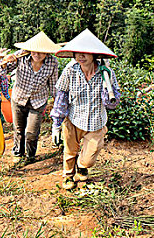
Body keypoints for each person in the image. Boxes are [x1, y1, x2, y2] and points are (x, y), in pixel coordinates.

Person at [50, 29, 121, 190]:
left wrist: (106, 85)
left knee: (89, 158)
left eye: (85, 53)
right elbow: (61, 97)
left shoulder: (107, 73)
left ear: (94, 55)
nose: (80, 56)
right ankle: (68, 175)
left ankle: (82, 166)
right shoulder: (70, 70)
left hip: (96, 121)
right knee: (70, 151)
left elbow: (112, 104)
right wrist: (56, 124)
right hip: (74, 118)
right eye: (77, 53)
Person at [4, 32, 60, 163]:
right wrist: (6, 61)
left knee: (31, 132)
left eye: (40, 51)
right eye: (34, 51)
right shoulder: (20, 56)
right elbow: (3, 71)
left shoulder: (52, 62)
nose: (36, 54)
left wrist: (59, 105)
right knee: (18, 129)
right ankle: (18, 152)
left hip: (38, 101)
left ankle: (30, 156)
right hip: (19, 98)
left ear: (47, 52)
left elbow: (53, 85)